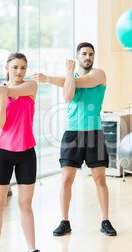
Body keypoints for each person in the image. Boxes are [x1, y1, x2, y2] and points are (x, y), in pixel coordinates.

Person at [31, 42, 116, 237]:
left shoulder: (99, 74)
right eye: (84, 54)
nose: (88, 57)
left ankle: (105, 221)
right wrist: (67, 76)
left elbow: (82, 83)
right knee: (66, 180)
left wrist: (51, 78)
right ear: (77, 57)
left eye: (91, 54)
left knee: (100, 179)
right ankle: (65, 222)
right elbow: (68, 95)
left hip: (94, 133)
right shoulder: (71, 78)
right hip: (72, 134)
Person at [0, 52, 49, 252]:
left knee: (25, 204)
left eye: (23, 67)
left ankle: (32, 250)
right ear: (7, 68)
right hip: (3, 153)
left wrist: (0, 91)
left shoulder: (30, 87)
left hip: (27, 152)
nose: (19, 71)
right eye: (15, 67)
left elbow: (13, 90)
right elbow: (0, 124)